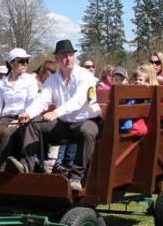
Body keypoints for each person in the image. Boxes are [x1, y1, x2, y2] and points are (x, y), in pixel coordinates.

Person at [5, 39, 102, 192]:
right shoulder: (53, 80)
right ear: (57, 59)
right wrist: (28, 114)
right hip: (63, 124)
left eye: (70, 55)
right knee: (32, 124)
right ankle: (26, 166)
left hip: (85, 120)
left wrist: (56, 112)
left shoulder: (85, 76)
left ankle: (76, 177)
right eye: (64, 55)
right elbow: (42, 100)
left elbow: (78, 101)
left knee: (87, 131)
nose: (68, 58)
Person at [0, 48, 37, 170]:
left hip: (22, 119)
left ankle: (0, 168)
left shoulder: (30, 79)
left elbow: (32, 101)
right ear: (11, 63)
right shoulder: (3, 82)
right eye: (22, 61)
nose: (25, 63)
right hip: (5, 119)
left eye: (27, 61)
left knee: (7, 133)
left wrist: (23, 117)